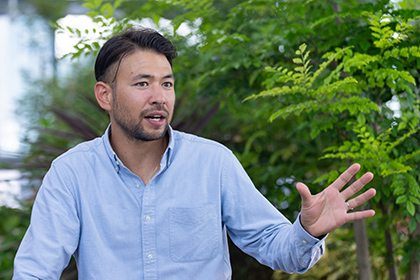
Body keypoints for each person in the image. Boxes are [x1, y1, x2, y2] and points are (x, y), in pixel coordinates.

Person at [13, 28, 376, 279]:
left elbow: (277, 249)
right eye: (142, 83)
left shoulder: (213, 164)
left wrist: (308, 232)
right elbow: (34, 271)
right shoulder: (71, 174)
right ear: (105, 95)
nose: (160, 96)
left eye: (167, 83)